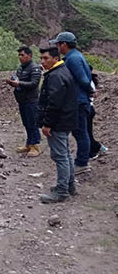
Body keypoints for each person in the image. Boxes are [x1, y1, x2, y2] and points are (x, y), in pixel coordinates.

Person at [37, 47, 78, 203]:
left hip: (58, 123)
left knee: (60, 156)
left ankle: (62, 192)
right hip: (65, 120)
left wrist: (47, 124)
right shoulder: (63, 71)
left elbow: (54, 102)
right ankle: (69, 185)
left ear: (55, 58)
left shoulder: (55, 75)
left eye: (46, 58)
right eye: (41, 58)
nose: (42, 61)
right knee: (66, 154)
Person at [50, 32, 94, 174]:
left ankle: (82, 163)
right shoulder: (74, 56)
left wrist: (90, 91)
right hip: (79, 100)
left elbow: (83, 80)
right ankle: (82, 160)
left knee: (81, 132)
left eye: (58, 44)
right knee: (80, 132)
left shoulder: (73, 59)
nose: (57, 47)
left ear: (64, 44)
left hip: (79, 102)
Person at [6, 45, 42, 157]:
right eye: (19, 55)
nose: (20, 57)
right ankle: (29, 144)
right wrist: (13, 81)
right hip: (22, 100)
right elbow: (18, 79)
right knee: (26, 123)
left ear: (29, 55)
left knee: (33, 123)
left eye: (22, 55)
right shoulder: (21, 67)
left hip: (31, 100)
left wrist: (19, 83)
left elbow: (34, 84)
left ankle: (35, 146)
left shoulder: (34, 68)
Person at [88, 66, 109, 159]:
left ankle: (95, 149)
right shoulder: (90, 81)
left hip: (88, 108)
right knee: (87, 132)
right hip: (89, 108)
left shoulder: (87, 82)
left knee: (86, 133)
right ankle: (95, 149)